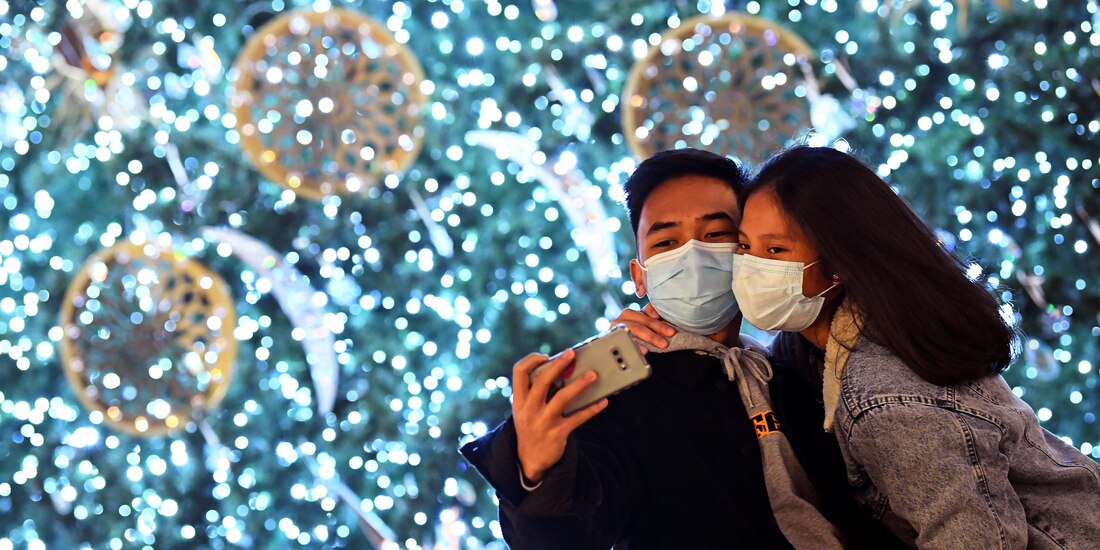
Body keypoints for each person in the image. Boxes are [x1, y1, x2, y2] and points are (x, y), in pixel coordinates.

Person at [459, 148, 903, 549]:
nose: (692, 254)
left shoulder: (796, 368)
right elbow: (571, 536)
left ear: (749, 251)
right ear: (640, 276)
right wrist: (536, 472)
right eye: (667, 242)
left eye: (715, 234)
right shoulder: (615, 402)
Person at [731, 145, 1100, 548]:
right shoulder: (854, 331)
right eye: (744, 246)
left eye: (776, 250)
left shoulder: (883, 397)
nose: (752, 267)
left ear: (839, 263)